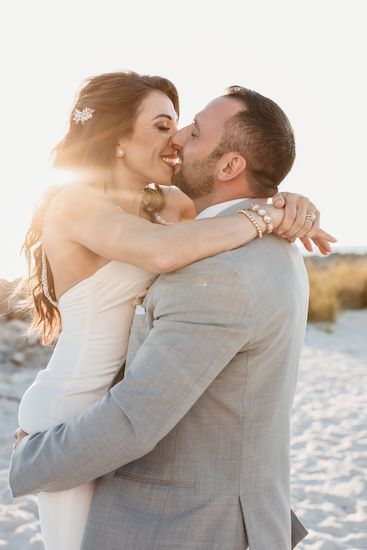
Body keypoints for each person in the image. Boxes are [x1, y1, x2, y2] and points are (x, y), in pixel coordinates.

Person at [10, 76, 333, 549]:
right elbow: (166, 252)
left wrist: (284, 201)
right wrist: (266, 215)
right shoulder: (77, 203)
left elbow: (221, 207)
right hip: (73, 404)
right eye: (163, 126)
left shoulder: (169, 206)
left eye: (186, 129)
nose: (177, 139)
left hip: (114, 412)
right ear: (118, 139)